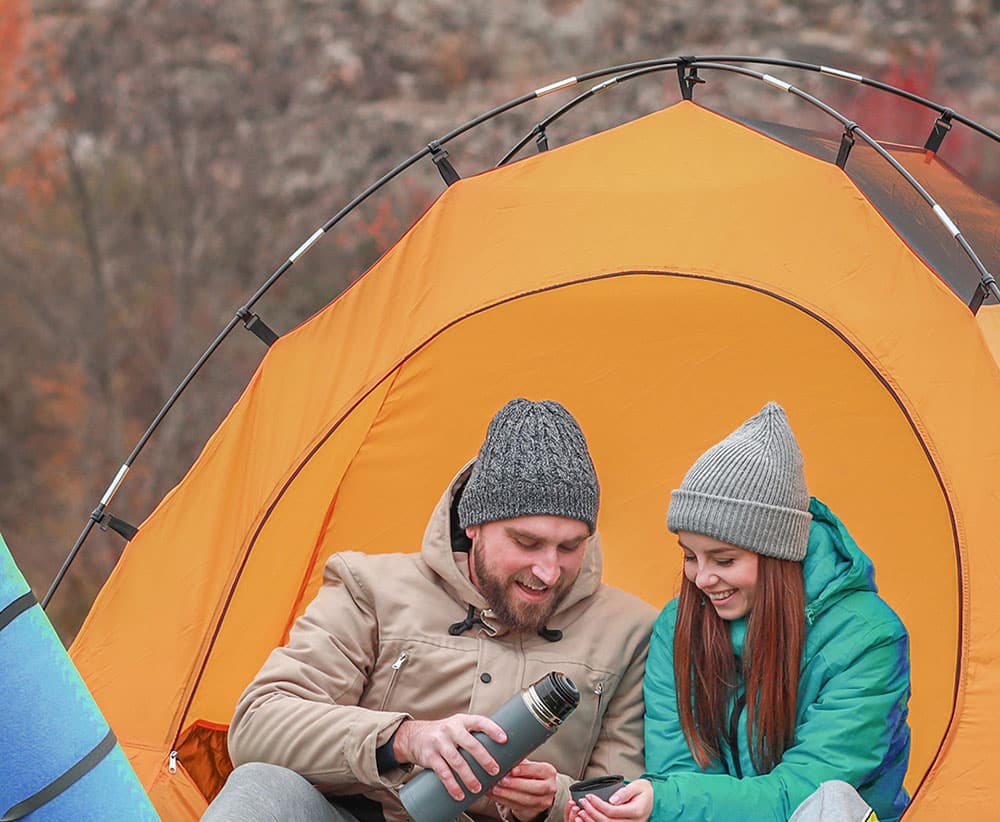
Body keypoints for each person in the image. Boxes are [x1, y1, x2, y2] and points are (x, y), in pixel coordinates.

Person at [204, 398, 657, 822]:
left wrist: (552, 800)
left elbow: (625, 798)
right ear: (473, 525)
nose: (549, 571)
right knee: (261, 785)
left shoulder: (630, 632)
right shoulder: (370, 588)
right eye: (527, 542)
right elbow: (258, 725)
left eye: (570, 547)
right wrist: (403, 739)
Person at [565, 402, 910, 822]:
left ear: (779, 555)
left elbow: (806, 794)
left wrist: (667, 800)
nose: (702, 578)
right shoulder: (677, 626)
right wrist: (654, 802)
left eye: (724, 560)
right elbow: (679, 770)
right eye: (689, 556)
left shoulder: (868, 639)